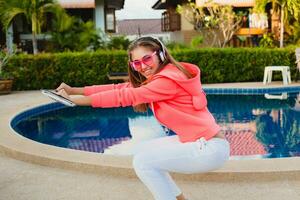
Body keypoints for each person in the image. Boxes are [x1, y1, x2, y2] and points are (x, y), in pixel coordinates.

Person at [55, 36, 230, 200]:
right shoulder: (164, 76)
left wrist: (75, 101)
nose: (143, 66)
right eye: (136, 63)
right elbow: (119, 88)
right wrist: (74, 90)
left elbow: (125, 97)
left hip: (210, 148)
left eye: (147, 59)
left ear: (161, 55)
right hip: (199, 141)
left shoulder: (167, 81)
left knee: (143, 162)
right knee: (142, 151)